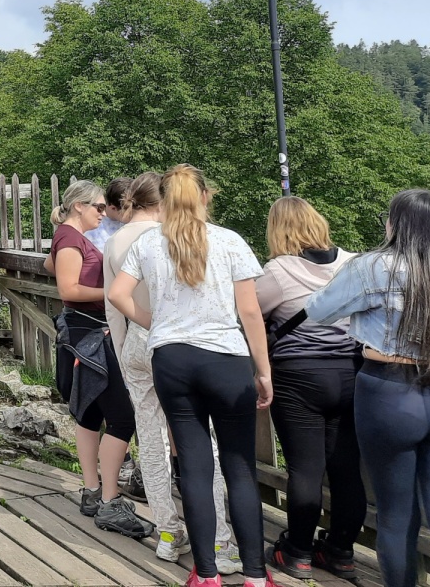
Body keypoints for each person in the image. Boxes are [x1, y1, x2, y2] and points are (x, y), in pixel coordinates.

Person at [109, 164, 273, 587]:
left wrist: (155, 323)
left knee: (195, 467)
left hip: (172, 360)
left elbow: (117, 294)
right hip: (226, 360)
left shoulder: (149, 244)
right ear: (205, 197)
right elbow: (250, 311)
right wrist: (263, 371)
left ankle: (206, 574)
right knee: (239, 467)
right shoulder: (230, 241)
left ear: (163, 200)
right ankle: (256, 575)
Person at [304, 189, 430, 587]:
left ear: (395, 224)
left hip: (388, 392)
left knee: (396, 517)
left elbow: (318, 312)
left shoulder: (371, 266)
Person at [255, 197, 365, 579]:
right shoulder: (355, 264)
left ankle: (297, 551)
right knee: (346, 468)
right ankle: (341, 552)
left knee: (305, 469)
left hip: (298, 377)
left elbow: (250, 314)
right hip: (350, 373)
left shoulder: (277, 271)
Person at [50, 178, 149, 538]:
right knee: (122, 417)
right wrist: (114, 290)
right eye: (98, 207)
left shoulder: (69, 237)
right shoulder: (70, 238)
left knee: (90, 413)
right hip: (90, 337)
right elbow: (68, 289)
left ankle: (92, 492)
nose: (104, 213)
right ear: (79, 206)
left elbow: (49, 266)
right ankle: (109, 501)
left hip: (82, 336)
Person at [87, 176, 134, 249]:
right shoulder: (92, 228)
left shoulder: (134, 224)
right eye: (129, 210)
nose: (134, 213)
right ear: (113, 208)